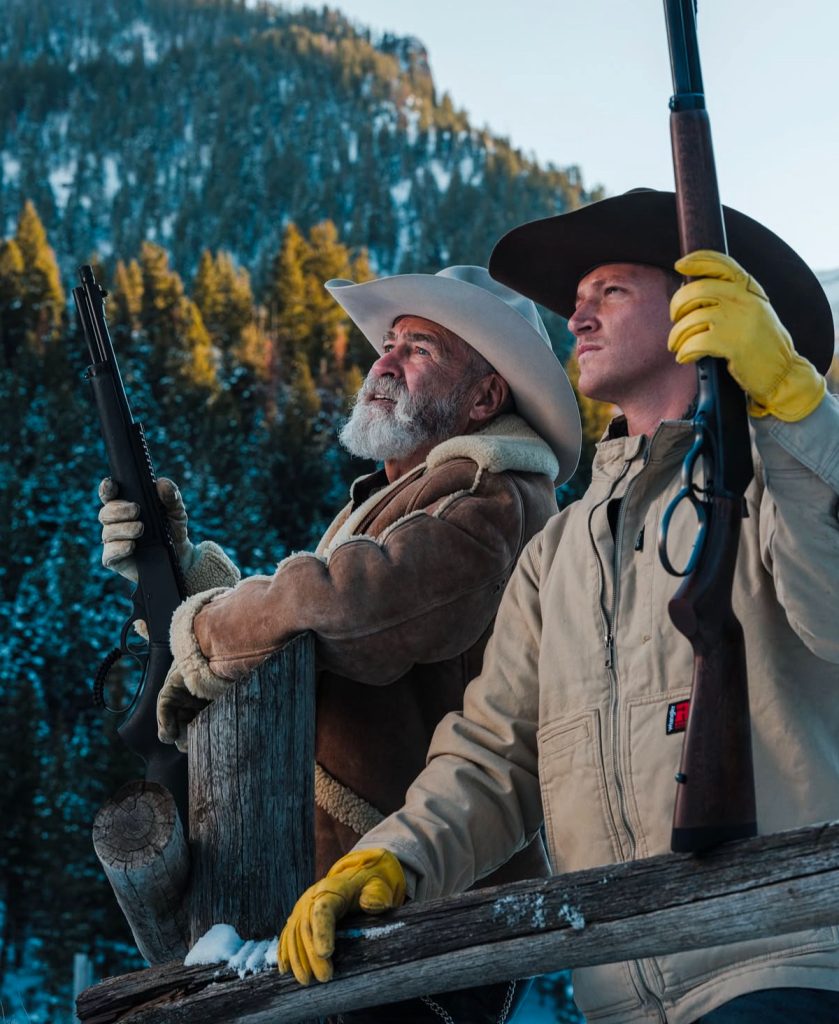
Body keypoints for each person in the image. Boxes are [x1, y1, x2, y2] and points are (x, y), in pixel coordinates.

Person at [278, 192, 839, 1024]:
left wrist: (798, 406)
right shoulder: (558, 552)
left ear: (700, 311)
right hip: (618, 1000)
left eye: (609, 291)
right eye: (576, 300)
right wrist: (392, 859)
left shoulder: (789, 478)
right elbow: (493, 757)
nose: (576, 318)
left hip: (794, 964)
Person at [98, 264, 582, 1024]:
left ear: (485, 398)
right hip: (354, 899)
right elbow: (312, 622)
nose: (385, 361)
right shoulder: (409, 495)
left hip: (423, 906)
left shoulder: (494, 496)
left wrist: (201, 628)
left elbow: (357, 608)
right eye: (389, 344)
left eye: (419, 349)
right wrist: (182, 578)